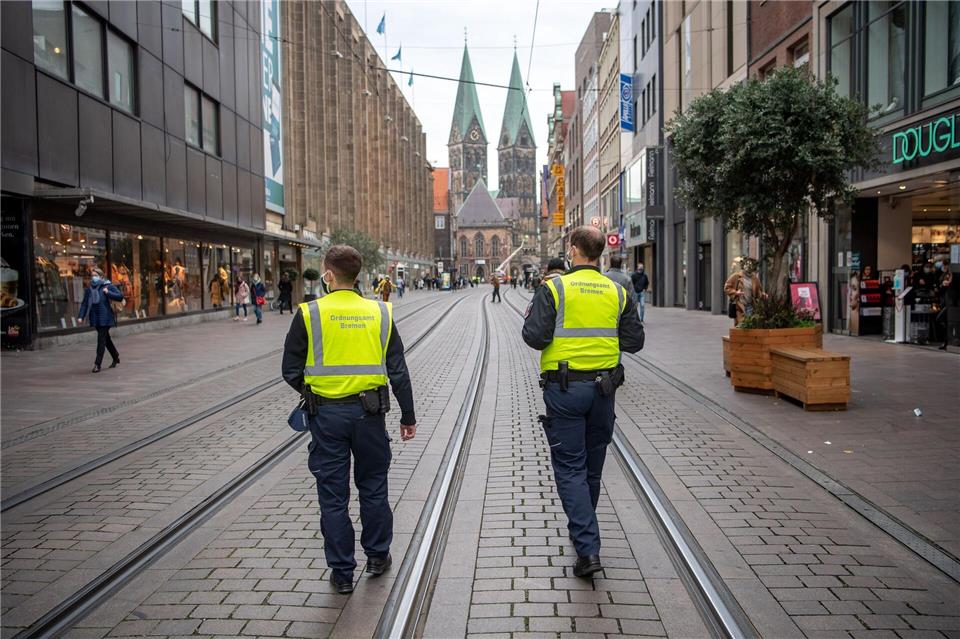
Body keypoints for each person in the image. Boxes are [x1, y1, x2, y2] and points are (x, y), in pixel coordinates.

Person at [282, 245, 416, 595]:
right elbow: (398, 370)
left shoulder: (309, 313)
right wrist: (408, 415)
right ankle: (377, 556)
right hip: (370, 416)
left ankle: (341, 572)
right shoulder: (381, 312)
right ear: (358, 275)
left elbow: (289, 369)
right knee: (373, 486)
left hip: (325, 416)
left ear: (327, 274)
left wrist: (315, 391)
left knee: (333, 495)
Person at [521, 226, 645, 579]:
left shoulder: (554, 288)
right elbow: (634, 342)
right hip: (604, 390)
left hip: (565, 391)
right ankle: (584, 535)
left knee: (570, 468)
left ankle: (588, 548)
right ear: (600, 253)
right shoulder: (619, 291)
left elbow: (534, 336)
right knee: (591, 468)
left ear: (574, 250)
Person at [77, 267, 124, 373]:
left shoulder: (108, 286)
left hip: (106, 318)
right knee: (106, 339)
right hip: (95, 317)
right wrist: (81, 316)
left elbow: (120, 297)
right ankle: (115, 356)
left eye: (96, 276)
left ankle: (97, 364)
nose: (93, 278)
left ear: (101, 276)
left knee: (101, 340)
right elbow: (85, 304)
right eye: (92, 276)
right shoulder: (90, 289)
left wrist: (108, 293)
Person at [724, 258, 763, 326]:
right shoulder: (736, 276)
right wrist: (736, 292)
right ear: (743, 265)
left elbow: (758, 292)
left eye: (751, 265)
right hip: (740, 306)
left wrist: (763, 295)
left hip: (751, 306)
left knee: (750, 326)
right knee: (741, 326)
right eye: (747, 264)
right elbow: (727, 288)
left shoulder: (755, 278)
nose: (749, 266)